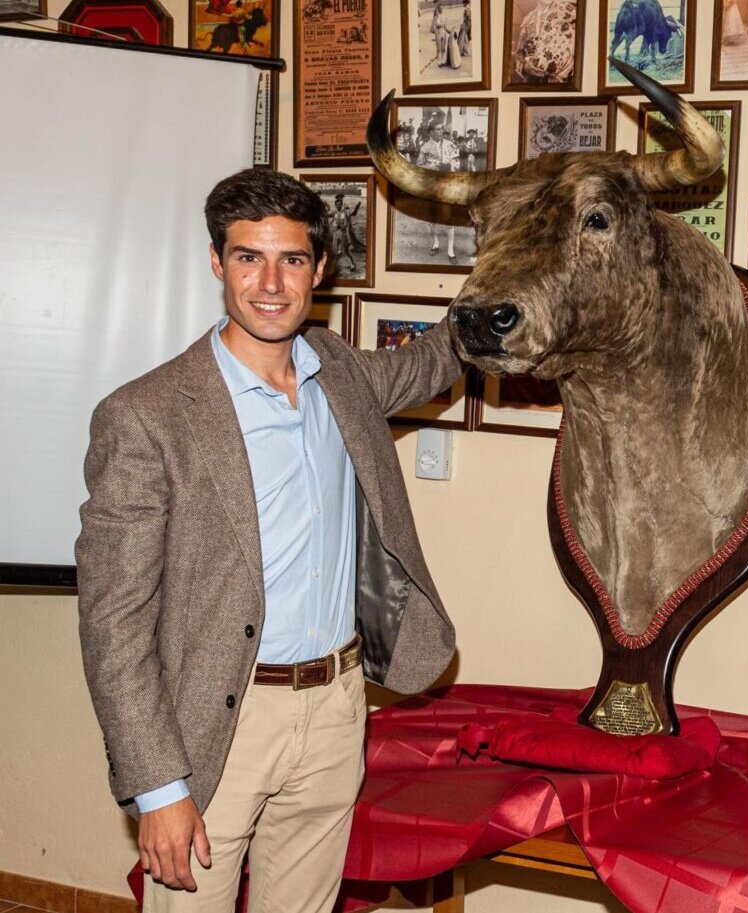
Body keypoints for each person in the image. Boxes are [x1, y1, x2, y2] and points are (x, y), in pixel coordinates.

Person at [77, 169, 463, 913]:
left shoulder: (340, 373)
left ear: (320, 269)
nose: (270, 283)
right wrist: (158, 787)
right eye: (248, 257)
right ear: (216, 262)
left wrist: (507, 279)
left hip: (337, 709)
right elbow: (112, 621)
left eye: (291, 259)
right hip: (215, 723)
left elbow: (431, 361)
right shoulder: (146, 415)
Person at [418, 121, 460, 261]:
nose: (441, 131)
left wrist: (450, 166)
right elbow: (420, 166)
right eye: (438, 129)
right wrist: (435, 167)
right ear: (431, 132)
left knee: (449, 219)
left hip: (448, 186)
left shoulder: (451, 145)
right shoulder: (425, 147)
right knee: (432, 219)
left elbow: (457, 162)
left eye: (442, 129)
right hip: (433, 187)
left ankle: (450, 251)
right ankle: (435, 244)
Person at [328, 193, 361, 274]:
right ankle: (333, 267)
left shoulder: (346, 212)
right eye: (337, 205)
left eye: (340, 204)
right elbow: (326, 215)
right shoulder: (334, 212)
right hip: (336, 234)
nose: (338, 206)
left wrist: (357, 207)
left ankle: (352, 264)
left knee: (345, 251)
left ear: (342, 204)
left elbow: (354, 213)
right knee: (334, 250)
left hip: (344, 234)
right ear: (335, 205)